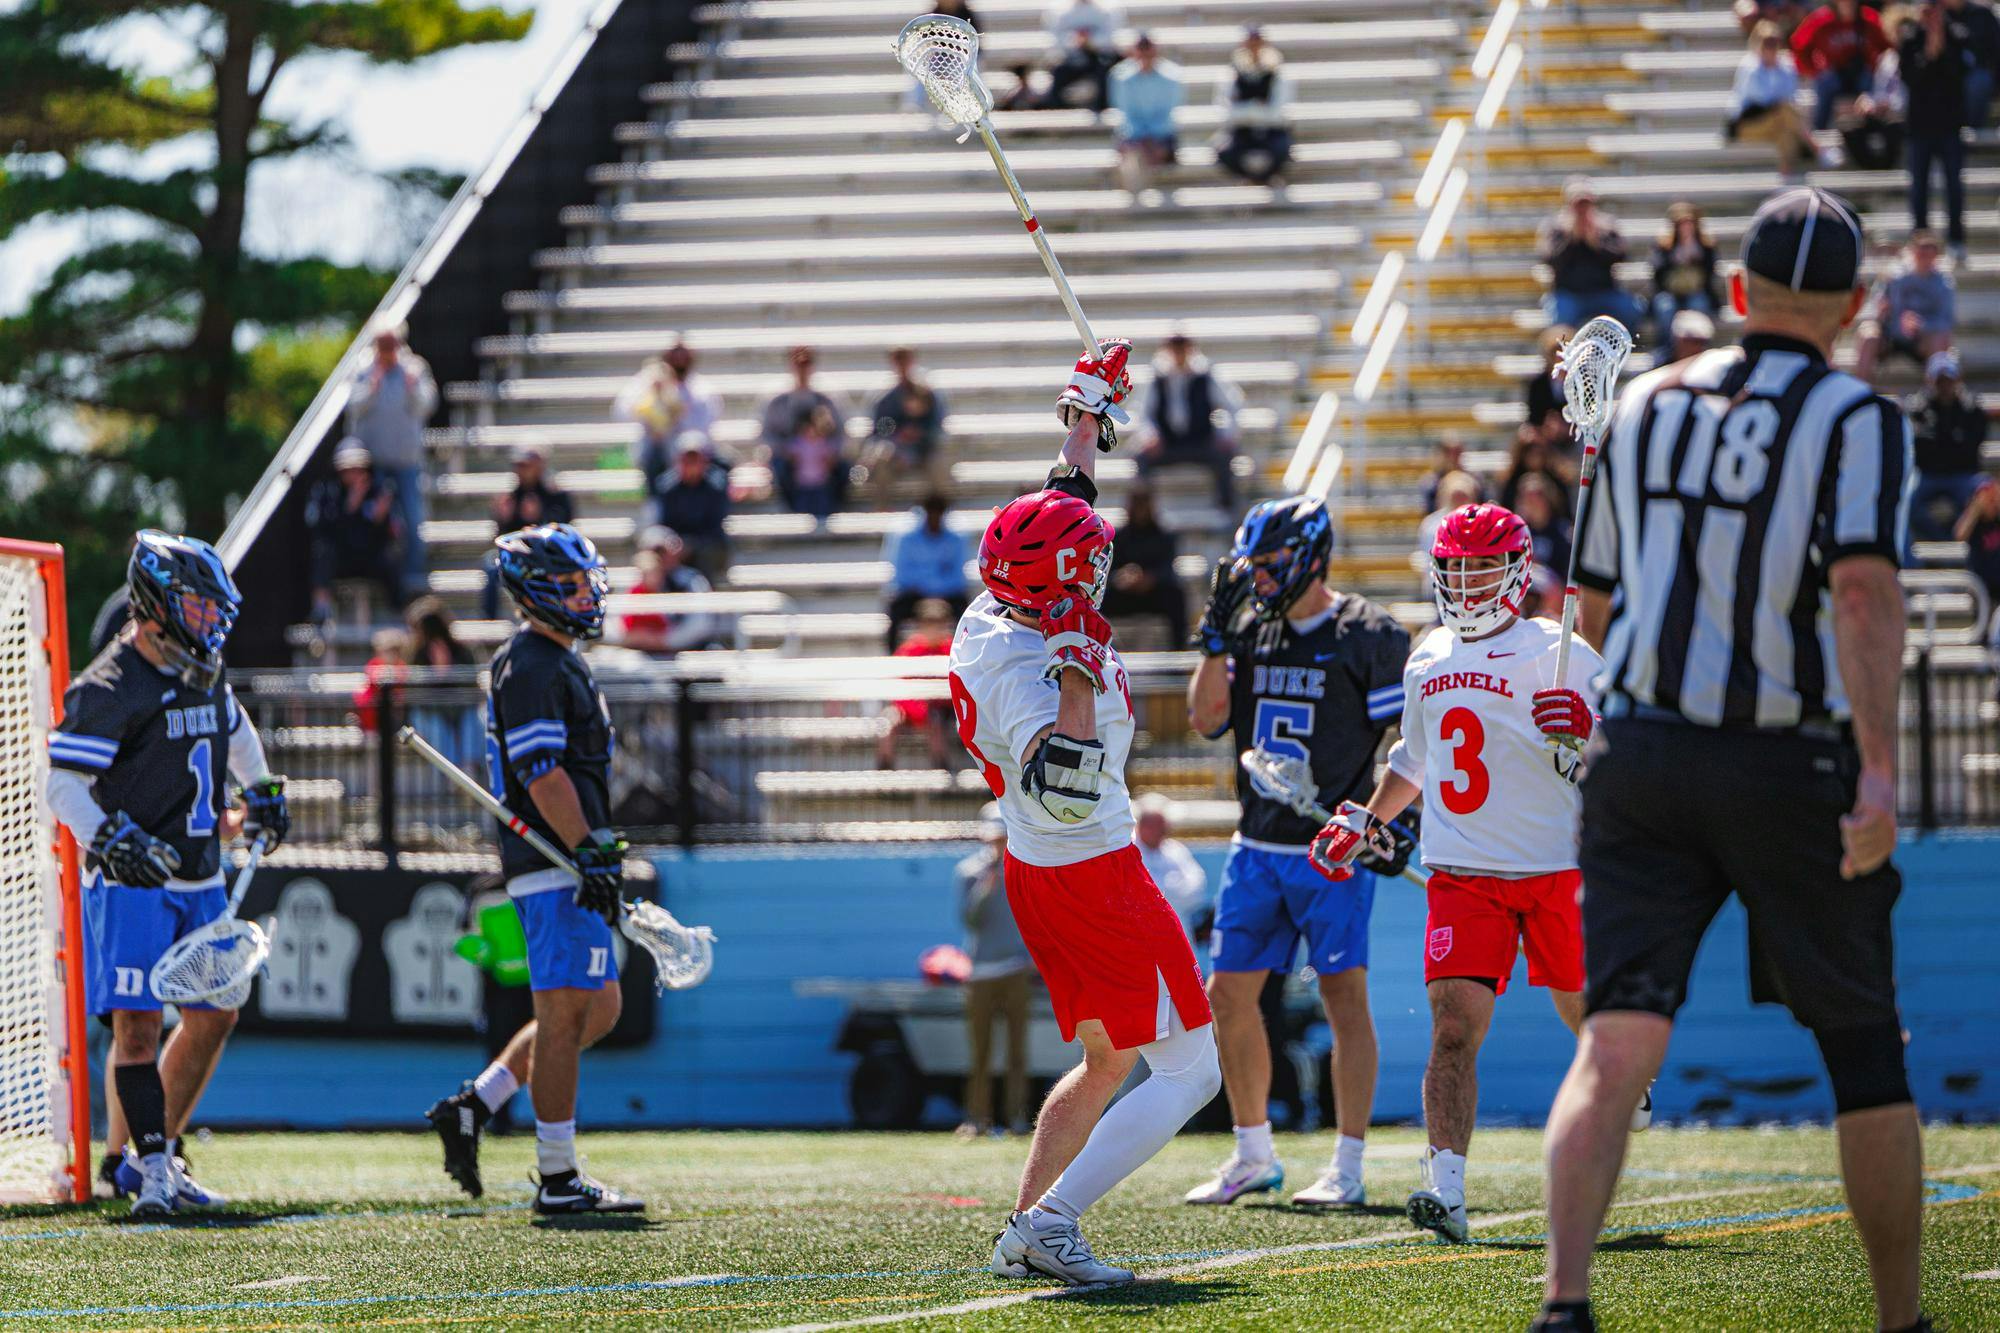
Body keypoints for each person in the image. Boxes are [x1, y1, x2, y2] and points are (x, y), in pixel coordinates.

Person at [1536, 187, 1923, 1333]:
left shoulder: (1644, 408)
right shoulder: (1855, 419)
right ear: (1852, 308)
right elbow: (1860, 592)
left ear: (1736, 292)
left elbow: (1590, 598)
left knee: (1611, 1043)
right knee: (1861, 1048)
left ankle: (1564, 1304)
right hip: (1785, 763)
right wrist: (1878, 767)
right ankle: (1900, 1318)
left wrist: (1591, 732)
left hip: (1642, 756)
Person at [952, 336, 1221, 1286]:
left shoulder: (998, 607)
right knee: (1193, 1069)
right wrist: (1072, 658)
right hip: (1085, 860)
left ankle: (1022, 1226)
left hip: (1049, 869)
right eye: (1085, 569)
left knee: (1108, 1061)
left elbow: (1059, 512)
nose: (1100, 567)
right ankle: (1053, 1222)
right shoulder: (1025, 662)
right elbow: (1060, 773)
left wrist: (1084, 413)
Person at [1307, 503, 1636, 1244]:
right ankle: (1446, 1189)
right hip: (1464, 871)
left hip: (1556, 866)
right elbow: (1415, 762)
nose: (1467, 580)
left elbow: (1625, 759)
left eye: (1482, 565)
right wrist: (1367, 817)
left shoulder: (1566, 652)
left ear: (1516, 571)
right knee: (1453, 1027)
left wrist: (1584, 734)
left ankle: (1626, 1065)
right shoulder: (1428, 654)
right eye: (1456, 566)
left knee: (1584, 1015)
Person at [49, 532, 289, 1215]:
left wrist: (262, 787)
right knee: (138, 1029)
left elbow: (236, 728)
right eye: (198, 605)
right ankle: (151, 1168)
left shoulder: (203, 670)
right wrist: (107, 837)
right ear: (156, 602)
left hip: (199, 875)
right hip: (133, 881)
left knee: (217, 1012)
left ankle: (154, 1151)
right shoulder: (109, 685)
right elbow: (62, 782)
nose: (212, 622)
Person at [1183, 495, 1410, 1209]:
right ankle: (1253, 1151)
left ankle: (1347, 1160)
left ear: (1312, 555)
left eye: (1273, 563)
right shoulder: (1251, 630)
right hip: (1257, 843)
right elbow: (1204, 717)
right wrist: (1215, 640)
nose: (1261, 577)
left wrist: (1387, 820)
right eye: (1255, 564)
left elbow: (1410, 741)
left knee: (1345, 996)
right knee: (1228, 996)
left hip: (1329, 848)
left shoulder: (1368, 633)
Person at [425, 523, 644, 1215]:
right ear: (539, 591)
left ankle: (475, 1103)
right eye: (573, 585)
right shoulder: (533, 663)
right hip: (551, 859)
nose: (587, 595)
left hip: (562, 858)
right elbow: (543, 772)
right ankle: (557, 1175)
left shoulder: (551, 658)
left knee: (596, 1006)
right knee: (563, 1009)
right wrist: (586, 846)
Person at [345, 324, 438, 603]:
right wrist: (371, 387)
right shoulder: (363, 370)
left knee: (412, 516)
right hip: (372, 463)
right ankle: (369, 574)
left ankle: (413, 575)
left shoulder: (415, 368)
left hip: (407, 461)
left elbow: (427, 405)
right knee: (371, 519)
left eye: (391, 344)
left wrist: (412, 388)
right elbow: (352, 406)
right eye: (382, 345)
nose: (387, 351)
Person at [956, 804, 1033, 1139]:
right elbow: (969, 920)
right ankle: (977, 1118)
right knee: (980, 1052)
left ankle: (1017, 1117)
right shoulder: (969, 872)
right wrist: (987, 886)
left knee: (1018, 1051)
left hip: (1016, 971)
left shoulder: (1025, 870)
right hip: (981, 973)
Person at [1133, 332, 1243, 508]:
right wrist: (1150, 436)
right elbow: (1144, 413)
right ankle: (1143, 514)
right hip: (1168, 444)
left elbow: (1232, 404)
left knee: (1224, 457)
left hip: (1200, 442)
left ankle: (1226, 508)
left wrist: (1226, 434)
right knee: (1141, 457)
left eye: (1182, 350)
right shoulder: (1156, 379)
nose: (1179, 355)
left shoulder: (1205, 376)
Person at [1899, 0, 1970, 259]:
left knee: (1954, 185)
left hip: (1949, 125)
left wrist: (1941, 46)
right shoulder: (1910, 38)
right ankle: (1919, 242)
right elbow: (1910, 78)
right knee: (1919, 187)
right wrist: (1929, 52)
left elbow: (1959, 73)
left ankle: (1956, 239)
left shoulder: (1958, 35)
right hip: (1919, 126)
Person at [614, 337, 722, 502]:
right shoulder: (646, 382)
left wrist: (678, 419)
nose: (679, 360)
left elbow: (705, 426)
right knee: (655, 459)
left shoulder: (701, 388)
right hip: (655, 448)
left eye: (683, 355)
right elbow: (622, 410)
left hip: (689, 449)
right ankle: (656, 505)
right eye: (674, 355)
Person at [305, 440, 403, 621]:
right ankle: (321, 607)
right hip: (341, 557)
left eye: (358, 468)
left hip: (370, 555)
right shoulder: (327, 492)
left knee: (391, 557)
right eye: (348, 469)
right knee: (323, 552)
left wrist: (382, 519)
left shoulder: (378, 491)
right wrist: (349, 508)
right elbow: (321, 528)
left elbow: (393, 531)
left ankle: (397, 612)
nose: (354, 474)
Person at [1538, 180, 1647, 333]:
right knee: (1560, 319)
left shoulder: (1606, 224)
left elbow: (1621, 256)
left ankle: (1619, 350)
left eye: (1586, 204)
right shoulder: (1555, 226)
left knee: (1631, 309)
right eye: (1578, 204)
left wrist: (1595, 242)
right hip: (1569, 293)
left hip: (1604, 292)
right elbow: (1550, 259)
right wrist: (1571, 238)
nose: (1582, 210)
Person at [1905, 349, 1989, 542]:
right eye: (1939, 380)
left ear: (1958, 379)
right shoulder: (1917, 409)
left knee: (1984, 493)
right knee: (1906, 499)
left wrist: (1938, 444)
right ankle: (1939, 541)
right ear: (1930, 380)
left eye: (1948, 379)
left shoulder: (1972, 410)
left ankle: (1982, 557)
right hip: (1927, 475)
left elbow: (1969, 448)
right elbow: (1919, 446)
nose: (1944, 386)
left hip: (1963, 475)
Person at [482, 445, 576, 619]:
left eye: (526, 465)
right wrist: (503, 518)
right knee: (491, 564)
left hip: (548, 555)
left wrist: (541, 518)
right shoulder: (510, 496)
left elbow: (565, 528)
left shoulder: (554, 493)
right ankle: (489, 620)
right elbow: (500, 537)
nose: (521, 470)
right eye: (518, 465)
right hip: (517, 555)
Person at [760, 347, 850, 519]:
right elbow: (766, 436)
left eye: (806, 363)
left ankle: (834, 511)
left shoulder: (829, 398)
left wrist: (830, 452)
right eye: (797, 363)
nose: (802, 368)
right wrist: (787, 451)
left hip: (823, 457)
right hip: (789, 457)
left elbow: (842, 433)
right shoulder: (776, 400)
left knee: (844, 469)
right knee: (779, 468)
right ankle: (790, 511)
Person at [1855, 230, 1955, 380]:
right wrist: (1879, 314)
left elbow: (1946, 321)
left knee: (1941, 339)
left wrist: (1921, 325)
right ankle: (1861, 390)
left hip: (1922, 340)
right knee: (1867, 333)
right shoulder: (1892, 277)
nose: (1924, 256)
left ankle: (1934, 396)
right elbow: (1872, 308)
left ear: (1936, 256)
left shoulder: (1944, 284)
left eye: (1929, 252)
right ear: (1912, 252)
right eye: (1920, 251)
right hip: (1889, 336)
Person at [1729, 23, 1821, 176]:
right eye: (1766, 42)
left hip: (1777, 121)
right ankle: (1816, 147)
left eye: (1774, 42)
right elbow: (1760, 100)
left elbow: (1792, 94)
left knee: (1785, 131)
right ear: (1757, 43)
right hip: (1747, 123)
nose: (1770, 48)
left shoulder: (1786, 65)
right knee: (1784, 110)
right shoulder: (1749, 66)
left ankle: (1785, 177)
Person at [884, 493, 972, 651]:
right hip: (915, 592)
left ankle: (967, 654)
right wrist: (931, 585)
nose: (934, 518)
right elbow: (902, 574)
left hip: (947, 593)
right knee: (895, 611)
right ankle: (892, 657)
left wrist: (934, 587)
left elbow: (958, 577)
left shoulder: (957, 538)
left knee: (968, 614)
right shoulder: (905, 538)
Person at [1100, 486, 1186, 647]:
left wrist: (1150, 578)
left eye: (1144, 504)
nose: (1140, 510)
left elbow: (1168, 569)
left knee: (1176, 596)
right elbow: (1105, 572)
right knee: (1096, 600)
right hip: (1122, 595)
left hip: (1154, 594)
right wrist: (1121, 578)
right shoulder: (1116, 537)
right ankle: (1096, 649)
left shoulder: (1165, 536)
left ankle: (1179, 650)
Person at [880, 599, 958, 770]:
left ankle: (942, 769)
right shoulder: (908, 651)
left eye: (939, 624)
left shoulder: (954, 650)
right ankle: (884, 769)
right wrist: (917, 710)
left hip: (944, 710)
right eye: (929, 624)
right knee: (887, 719)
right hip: (909, 709)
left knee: (935, 720)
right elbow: (899, 687)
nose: (934, 630)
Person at [616, 527, 718, 657]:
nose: (663, 556)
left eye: (668, 549)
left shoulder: (690, 580)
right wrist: (633, 638)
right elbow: (612, 623)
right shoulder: (630, 581)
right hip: (635, 654)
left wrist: (665, 640)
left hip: (682, 654)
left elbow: (700, 625)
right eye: (657, 551)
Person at [1792, 0, 1891, 129]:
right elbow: (1798, 44)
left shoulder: (1869, 18)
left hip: (1862, 75)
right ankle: (1819, 130)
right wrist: (1813, 70)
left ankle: (1873, 130)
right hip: (1834, 75)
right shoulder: (1821, 19)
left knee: (1872, 84)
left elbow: (1888, 47)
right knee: (1826, 82)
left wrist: (1876, 67)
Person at [1214, 27, 1292, 187]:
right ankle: (1248, 178)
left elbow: (1278, 113)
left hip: (1272, 132)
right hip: (1241, 132)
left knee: (1283, 149)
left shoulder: (1279, 73)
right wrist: (1257, 107)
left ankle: (1265, 179)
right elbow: (1226, 112)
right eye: (1250, 42)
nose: (1254, 47)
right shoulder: (1231, 73)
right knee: (1223, 150)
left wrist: (1244, 109)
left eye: (1258, 41)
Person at [1109, 35, 1184, 199]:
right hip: (1133, 136)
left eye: (1148, 55)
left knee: (1147, 153)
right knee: (1131, 155)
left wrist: (1151, 139)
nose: (1145, 60)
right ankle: (1135, 202)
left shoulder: (1171, 76)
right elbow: (1125, 115)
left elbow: (1168, 114)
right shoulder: (1121, 76)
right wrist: (1143, 140)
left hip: (1161, 135)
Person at [869, 348, 951, 492]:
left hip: (925, 450)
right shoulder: (885, 398)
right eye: (898, 360)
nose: (902, 364)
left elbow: (938, 427)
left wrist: (920, 434)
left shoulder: (929, 394)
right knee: (880, 461)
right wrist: (898, 439)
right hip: (895, 451)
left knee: (939, 464)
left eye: (905, 359)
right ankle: (883, 509)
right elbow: (878, 431)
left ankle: (937, 509)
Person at [652, 433, 732, 579]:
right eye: (686, 460)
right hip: (675, 546)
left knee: (708, 552)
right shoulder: (666, 487)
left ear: (705, 461)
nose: (690, 465)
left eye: (694, 460)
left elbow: (715, 528)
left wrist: (690, 545)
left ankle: (705, 592)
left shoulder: (716, 487)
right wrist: (672, 544)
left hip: (708, 545)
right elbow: (663, 526)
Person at [1133, 793, 1209, 943]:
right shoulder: (1129, 853)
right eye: (1153, 825)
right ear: (1141, 825)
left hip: (1178, 934)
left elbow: (1198, 887)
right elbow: (1141, 893)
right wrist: (1174, 884)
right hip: (1140, 937)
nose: (1161, 830)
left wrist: (1163, 889)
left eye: (1162, 825)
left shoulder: (1175, 851)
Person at [1650, 203, 1722, 335]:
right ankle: (1668, 349)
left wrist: (1697, 257)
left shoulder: (1706, 246)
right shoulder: (1663, 246)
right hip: (1670, 292)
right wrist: (1674, 258)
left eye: (1690, 224)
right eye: (1682, 224)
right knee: (1665, 307)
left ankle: (1696, 347)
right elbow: (1657, 273)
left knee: (1698, 305)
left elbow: (1711, 273)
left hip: (1696, 292)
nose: (1686, 228)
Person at [1952, 478, 2000, 646]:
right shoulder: (1976, 524)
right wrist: (1976, 508)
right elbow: (1959, 534)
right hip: (1982, 585)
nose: (1991, 501)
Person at [1942, 0, 2000, 128]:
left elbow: (1995, 50)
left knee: (1978, 81)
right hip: (1946, 73)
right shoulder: (1939, 14)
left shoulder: (1982, 13)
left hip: (1977, 71)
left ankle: (1973, 129)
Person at [1417, 472, 1485, 573]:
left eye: (1463, 496)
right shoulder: (1431, 525)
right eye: (1455, 497)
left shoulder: (1483, 523)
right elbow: (1427, 558)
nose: (1459, 501)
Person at [1043, 28, 1120, 112]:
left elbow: (1111, 38)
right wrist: (1075, 41)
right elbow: (1056, 40)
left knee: (1104, 72)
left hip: (1100, 59)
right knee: (1058, 72)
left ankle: (1103, 106)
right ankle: (1056, 108)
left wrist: (1090, 42)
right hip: (1071, 60)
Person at [1514, 474, 1573, 575]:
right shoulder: (1518, 534)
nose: (1531, 503)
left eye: (1536, 498)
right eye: (1526, 499)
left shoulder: (1563, 532)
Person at [1525, 327, 1571, 440]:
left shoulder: (1584, 383)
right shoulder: (1538, 384)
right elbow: (1533, 418)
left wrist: (1567, 426)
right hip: (1546, 441)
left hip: (1575, 438)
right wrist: (1547, 426)